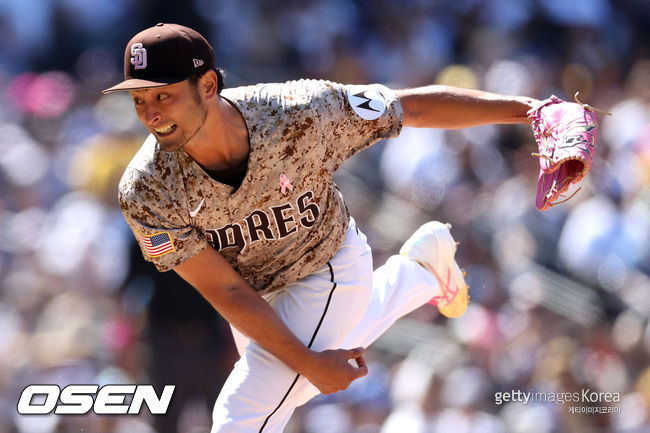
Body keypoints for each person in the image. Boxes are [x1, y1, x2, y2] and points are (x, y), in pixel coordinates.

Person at [103, 23, 541, 433]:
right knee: (296, 381)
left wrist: (531, 112)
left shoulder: (294, 112)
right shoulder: (147, 189)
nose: (151, 113)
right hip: (255, 294)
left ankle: (416, 277)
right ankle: (420, 273)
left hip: (327, 265)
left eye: (163, 96)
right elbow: (226, 291)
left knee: (243, 412)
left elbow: (411, 107)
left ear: (209, 85)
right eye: (140, 100)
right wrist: (308, 364)